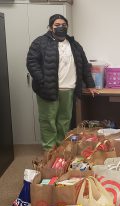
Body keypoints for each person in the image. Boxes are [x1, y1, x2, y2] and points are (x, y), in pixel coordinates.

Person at [26, 14, 97, 152]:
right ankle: (49, 150)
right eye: (57, 25)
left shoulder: (74, 45)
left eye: (63, 25)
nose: (60, 27)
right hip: (48, 89)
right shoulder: (40, 42)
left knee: (64, 120)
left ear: (67, 27)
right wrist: (42, 80)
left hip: (69, 89)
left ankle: (60, 148)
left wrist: (91, 85)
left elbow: (84, 65)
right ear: (50, 27)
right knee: (48, 121)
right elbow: (31, 62)